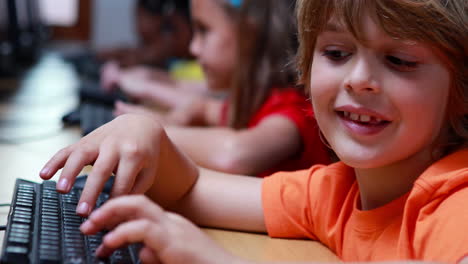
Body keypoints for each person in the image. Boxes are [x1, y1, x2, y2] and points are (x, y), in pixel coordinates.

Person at [40, 0, 468, 263]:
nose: (358, 80)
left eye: (400, 61)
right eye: (336, 52)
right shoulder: (334, 193)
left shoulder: (453, 200)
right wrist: (146, 133)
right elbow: (192, 190)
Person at [104, 0, 331, 176]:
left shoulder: (292, 110)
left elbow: (234, 154)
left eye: (204, 30)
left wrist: (150, 130)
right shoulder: (254, 101)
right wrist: (174, 120)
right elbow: (202, 107)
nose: (193, 48)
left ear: (248, 36)